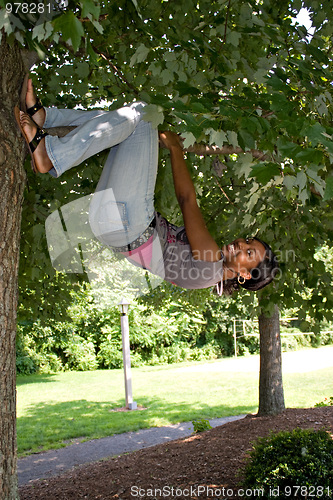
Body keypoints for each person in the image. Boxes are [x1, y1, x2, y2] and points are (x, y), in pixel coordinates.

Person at [15, 78, 279, 295]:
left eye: (248, 253)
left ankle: (51, 155)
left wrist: (176, 148)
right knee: (122, 126)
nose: (240, 245)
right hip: (113, 226)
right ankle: (46, 118)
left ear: (244, 275)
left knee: (144, 115)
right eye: (247, 241)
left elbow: (187, 199)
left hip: (129, 224)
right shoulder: (209, 275)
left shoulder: (211, 263)